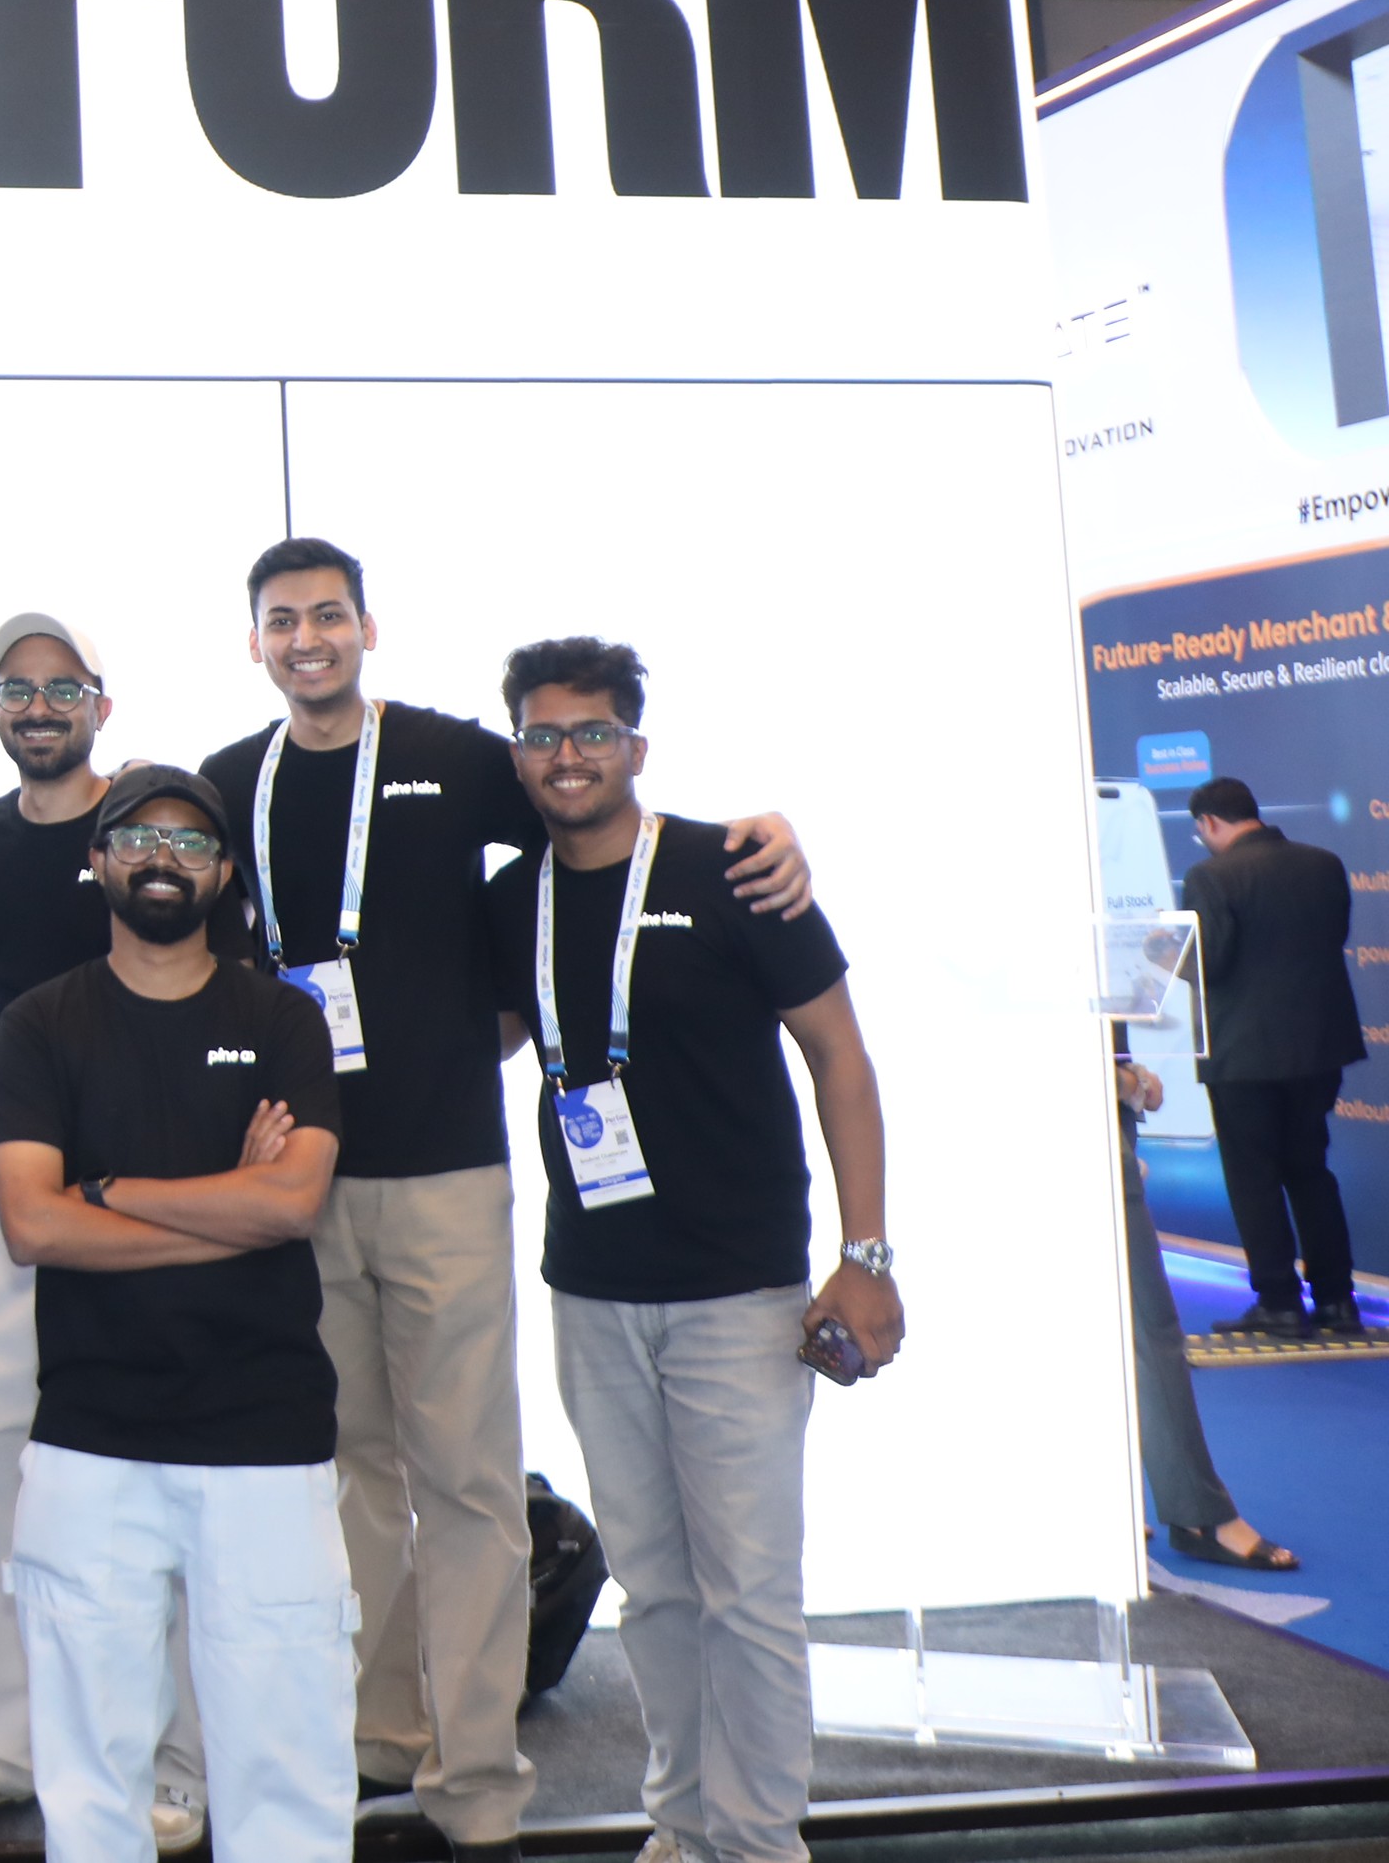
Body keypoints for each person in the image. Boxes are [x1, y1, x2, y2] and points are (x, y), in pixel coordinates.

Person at [200, 539, 814, 1855]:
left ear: (367, 626)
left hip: (445, 1174)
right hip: (299, 1181)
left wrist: (760, 833)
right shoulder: (230, 778)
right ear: (253, 641)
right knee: (346, 1472)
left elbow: (590, 807)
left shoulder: (451, 754)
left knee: (468, 1485)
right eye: (281, 620)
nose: (307, 637)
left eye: (328, 614)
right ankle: (381, 1732)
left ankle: (475, 1774)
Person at [482, 639, 898, 1863]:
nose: (567, 755)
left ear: (635, 747)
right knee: (654, 1586)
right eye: (543, 735)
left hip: (738, 1293)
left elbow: (841, 1058)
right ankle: (681, 1825)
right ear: (518, 753)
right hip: (592, 1290)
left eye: (591, 732)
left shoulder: (734, 869)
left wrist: (866, 1253)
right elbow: (475, 1038)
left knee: (749, 1591)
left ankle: (760, 1842)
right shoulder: (509, 901)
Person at [0, 764, 353, 1863]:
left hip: (265, 1436)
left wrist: (106, 1190)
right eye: (138, 837)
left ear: (225, 873)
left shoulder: (283, 1016)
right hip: (90, 1439)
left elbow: (292, 1204)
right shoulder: (39, 1023)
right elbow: (31, 1226)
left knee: (286, 1777)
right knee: (90, 1789)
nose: (162, 858)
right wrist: (225, 1202)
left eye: (190, 843)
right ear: (96, 861)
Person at [0, 612, 207, 1849]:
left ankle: (176, 1759)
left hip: (145, 1203)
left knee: (170, 1482)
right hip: (4, 1204)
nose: (38, 706)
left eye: (61, 687)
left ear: (100, 700)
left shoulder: (152, 827)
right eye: (16, 688)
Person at [1180, 777, 1366, 1340]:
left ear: (1210, 823)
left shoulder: (1209, 877)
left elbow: (1208, 962)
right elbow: (1334, 937)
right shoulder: (1323, 864)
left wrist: (1165, 953)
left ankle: (1280, 1302)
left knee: (1253, 1178)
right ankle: (1336, 1301)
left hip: (1243, 1056)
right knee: (1311, 1170)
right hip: (1318, 1049)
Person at [1112, 1052, 1292, 1569]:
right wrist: (1122, 1080)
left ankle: (1105, 1498)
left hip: (1086, 1117)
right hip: (1071, 1122)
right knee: (1149, 1329)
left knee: (1115, 1325)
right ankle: (1197, 1514)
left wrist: (1126, 1077)